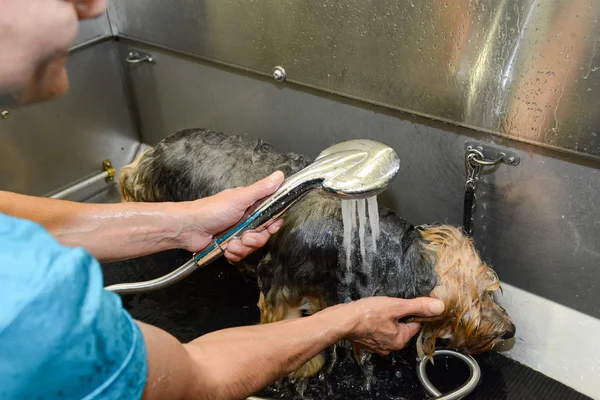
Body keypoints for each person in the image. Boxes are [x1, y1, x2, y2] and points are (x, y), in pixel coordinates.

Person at [0, 1, 446, 399]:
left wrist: (187, 222)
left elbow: (18, 221)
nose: (96, 6)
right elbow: (199, 378)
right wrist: (349, 321)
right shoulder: (34, 309)